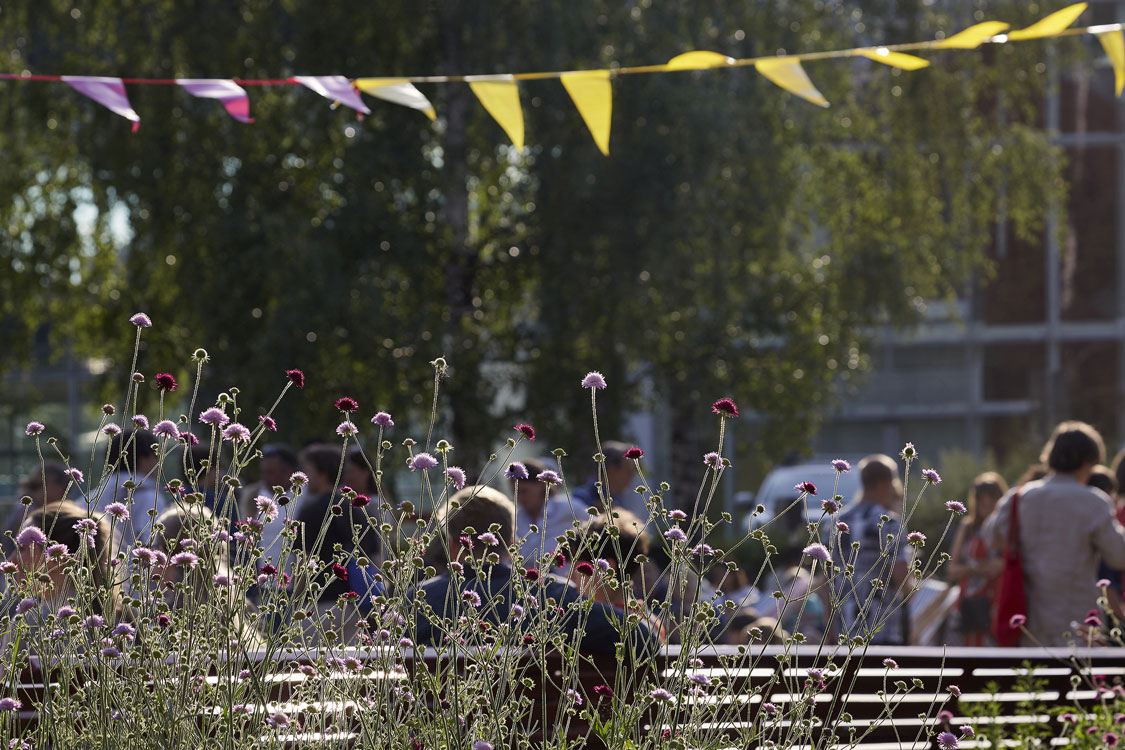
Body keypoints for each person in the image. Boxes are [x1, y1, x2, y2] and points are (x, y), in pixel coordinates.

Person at [413, 485, 658, 656]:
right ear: (511, 543)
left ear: (453, 547)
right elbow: (645, 640)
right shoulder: (553, 598)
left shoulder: (417, 603)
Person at [986, 421, 1125, 645]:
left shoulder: (1019, 497)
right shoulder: (1094, 502)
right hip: (1077, 621)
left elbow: (991, 537)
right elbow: (1119, 556)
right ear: (1087, 461)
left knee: (1032, 679)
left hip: (1026, 623)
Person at [831, 454, 910, 645]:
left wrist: (829, 626)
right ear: (884, 484)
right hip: (882, 625)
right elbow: (901, 575)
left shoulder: (837, 522)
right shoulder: (888, 522)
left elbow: (826, 581)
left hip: (844, 625)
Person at [946, 472, 1007, 646]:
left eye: (992, 498)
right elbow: (952, 569)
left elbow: (1006, 564)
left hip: (995, 602)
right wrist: (976, 568)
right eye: (982, 498)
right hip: (968, 604)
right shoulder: (968, 527)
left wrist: (994, 566)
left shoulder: (1005, 528)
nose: (986, 503)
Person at [94, 428, 169, 545]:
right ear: (144, 459)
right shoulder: (150, 498)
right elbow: (150, 543)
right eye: (157, 457)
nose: (159, 464)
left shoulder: (91, 497)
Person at [513, 457, 583, 566]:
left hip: (568, 580)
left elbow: (598, 528)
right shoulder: (515, 518)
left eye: (524, 491)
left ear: (541, 485)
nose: (520, 497)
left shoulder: (570, 509)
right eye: (515, 492)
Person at [568, 442, 643, 521]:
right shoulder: (582, 499)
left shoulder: (617, 499)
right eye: (628, 472)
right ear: (611, 471)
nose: (632, 478)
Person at [4, 461, 69, 545]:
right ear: (48, 482)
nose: (64, 493)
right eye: (63, 487)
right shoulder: (27, 511)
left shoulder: (29, 506)